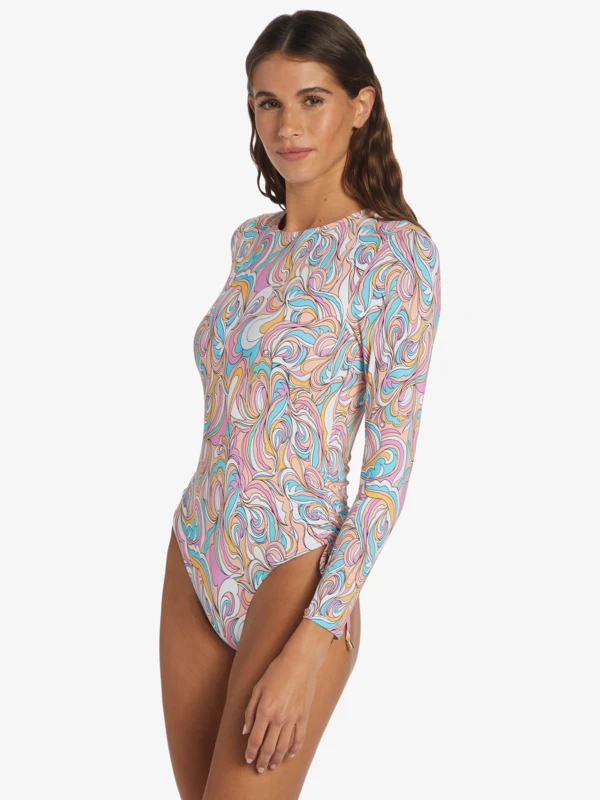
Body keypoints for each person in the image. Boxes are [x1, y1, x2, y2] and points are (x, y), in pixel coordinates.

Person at [159, 9, 442, 799]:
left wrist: (314, 641)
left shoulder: (396, 256)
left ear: (360, 104)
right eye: (268, 102)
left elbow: (386, 474)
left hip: (298, 568)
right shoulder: (251, 242)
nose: (287, 125)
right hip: (197, 550)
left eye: (312, 99)